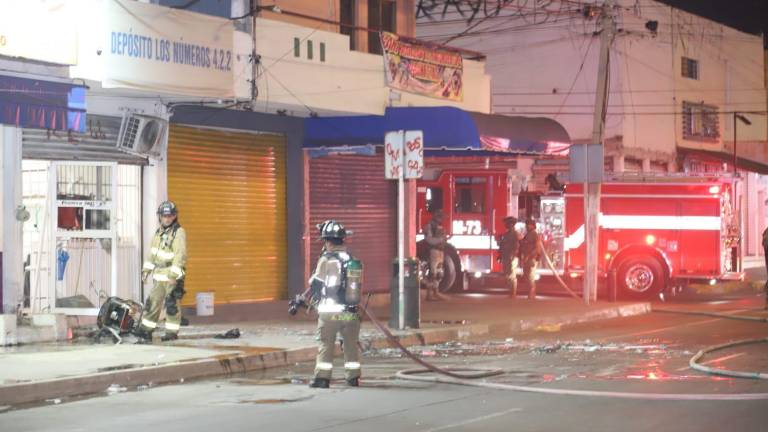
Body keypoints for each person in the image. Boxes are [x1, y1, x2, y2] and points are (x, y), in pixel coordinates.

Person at [308, 220, 362, 389]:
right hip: (350, 312)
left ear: (328, 241)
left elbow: (316, 285)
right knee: (351, 345)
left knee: (326, 345)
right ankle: (353, 378)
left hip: (330, 312)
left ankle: (322, 379)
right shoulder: (352, 259)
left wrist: (310, 300)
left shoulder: (326, 259)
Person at [136, 201, 187, 343]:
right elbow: (152, 254)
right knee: (152, 302)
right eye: (164, 216)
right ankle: (146, 331)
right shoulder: (158, 233)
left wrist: (173, 276)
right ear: (160, 217)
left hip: (172, 275)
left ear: (174, 216)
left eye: (170, 215)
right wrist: (146, 270)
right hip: (159, 275)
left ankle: (171, 333)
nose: (167, 218)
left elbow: (180, 255)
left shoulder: (178, 232)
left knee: (171, 305)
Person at [423, 209, 450, 301]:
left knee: (439, 273)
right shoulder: (429, 226)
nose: (442, 219)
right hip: (433, 251)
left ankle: (436, 292)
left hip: (440, 251)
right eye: (441, 217)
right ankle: (429, 294)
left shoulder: (439, 226)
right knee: (433, 273)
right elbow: (429, 240)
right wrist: (440, 240)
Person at [519, 217, 542, 300]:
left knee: (530, 276)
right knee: (527, 276)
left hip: (531, 258)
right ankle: (531, 293)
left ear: (533, 226)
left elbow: (536, 247)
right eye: (527, 224)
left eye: (529, 225)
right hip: (526, 258)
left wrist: (529, 256)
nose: (527, 226)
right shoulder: (528, 234)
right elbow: (524, 245)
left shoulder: (534, 234)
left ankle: (531, 295)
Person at [497, 216, 520, 299]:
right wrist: (500, 255)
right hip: (506, 256)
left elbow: (516, 246)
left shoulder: (515, 234)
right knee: (507, 274)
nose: (505, 225)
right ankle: (511, 292)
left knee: (512, 274)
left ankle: (513, 293)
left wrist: (513, 255)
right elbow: (502, 245)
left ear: (511, 224)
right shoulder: (506, 234)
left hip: (511, 257)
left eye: (507, 223)